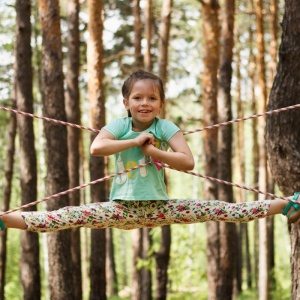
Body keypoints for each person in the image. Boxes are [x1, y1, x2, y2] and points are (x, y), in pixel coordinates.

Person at [0, 70, 299, 232]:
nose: (145, 103)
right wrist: (134, 141)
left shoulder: (166, 127)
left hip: (161, 207)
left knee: (224, 210)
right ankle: (4, 220)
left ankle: (288, 206)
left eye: (152, 98)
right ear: (126, 102)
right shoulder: (119, 125)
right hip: (120, 209)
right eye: (138, 97)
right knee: (63, 217)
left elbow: (187, 162)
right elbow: (97, 148)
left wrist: (155, 152)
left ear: (161, 103)